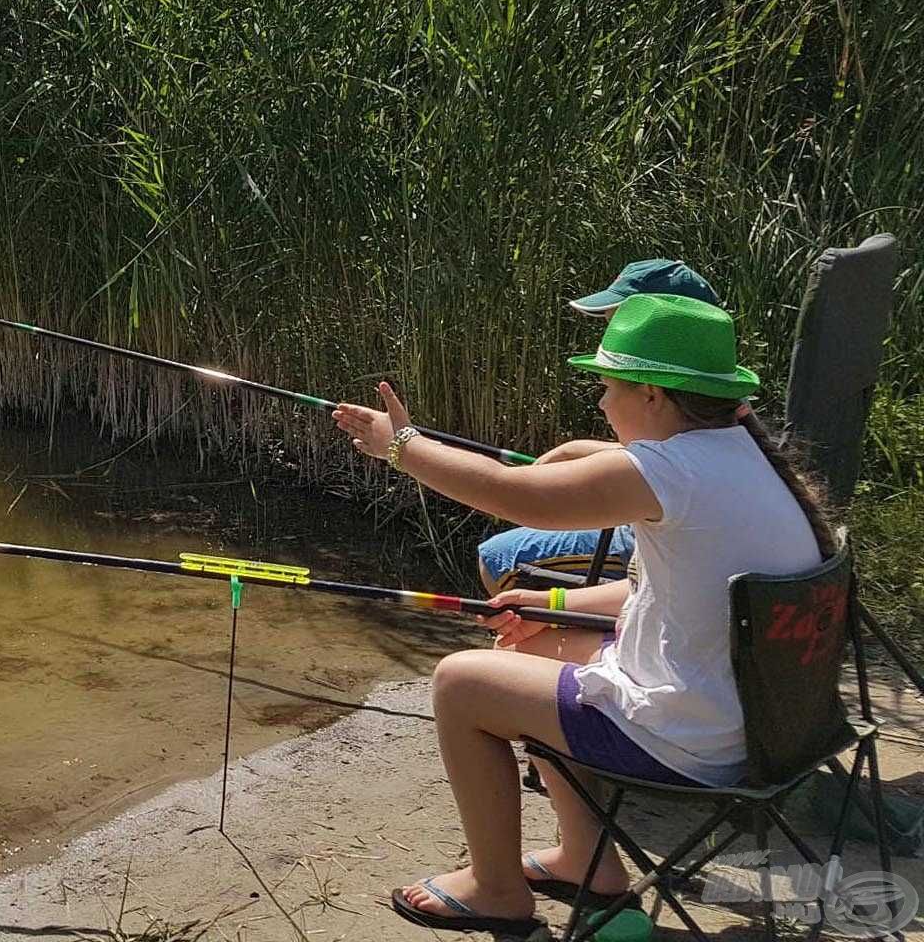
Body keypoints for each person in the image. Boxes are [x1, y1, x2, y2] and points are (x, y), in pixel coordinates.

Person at [334, 293, 834, 935]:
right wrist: (554, 605)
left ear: (653, 394)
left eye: (607, 385)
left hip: (696, 741)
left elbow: (517, 498)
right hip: (764, 728)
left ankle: (494, 889)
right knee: (530, 649)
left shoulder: (670, 470)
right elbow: (679, 596)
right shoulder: (741, 456)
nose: (601, 402)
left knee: (460, 683)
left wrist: (400, 445)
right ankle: (585, 861)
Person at [476, 259, 722, 596]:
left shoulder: (659, 414)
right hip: (661, 531)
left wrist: (401, 444)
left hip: (646, 540)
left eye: (621, 322)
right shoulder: (718, 400)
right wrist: (576, 449)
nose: (609, 334)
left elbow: (505, 492)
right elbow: (682, 461)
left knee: (496, 557)